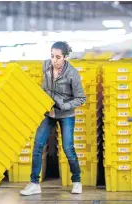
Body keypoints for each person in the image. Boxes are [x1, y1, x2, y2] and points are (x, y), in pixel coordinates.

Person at [20, 41, 86, 196]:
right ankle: (34, 183)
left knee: (68, 148)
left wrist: (63, 105)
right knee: (37, 146)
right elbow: (44, 87)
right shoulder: (46, 66)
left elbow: (81, 98)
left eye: (58, 57)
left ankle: (77, 181)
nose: (54, 60)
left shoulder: (72, 74)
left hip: (66, 115)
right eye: (52, 56)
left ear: (65, 57)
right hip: (48, 113)